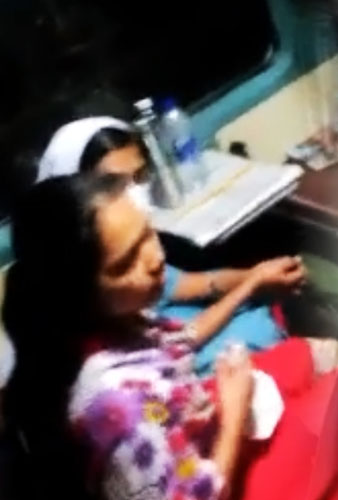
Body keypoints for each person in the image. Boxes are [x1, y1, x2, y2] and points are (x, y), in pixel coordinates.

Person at [3, 174, 338, 500]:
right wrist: (233, 414)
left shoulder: (112, 322)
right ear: (79, 293)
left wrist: (253, 282)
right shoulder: (119, 410)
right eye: (125, 263)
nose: (154, 259)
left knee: (309, 355)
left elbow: (181, 340)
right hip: (213, 474)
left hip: (196, 430)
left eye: (147, 234)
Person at [35, 117, 307, 375]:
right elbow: (179, 342)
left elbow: (201, 284)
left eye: (139, 176)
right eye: (114, 183)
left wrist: (259, 276)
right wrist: (252, 284)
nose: (134, 192)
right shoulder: (90, 294)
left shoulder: (142, 252)